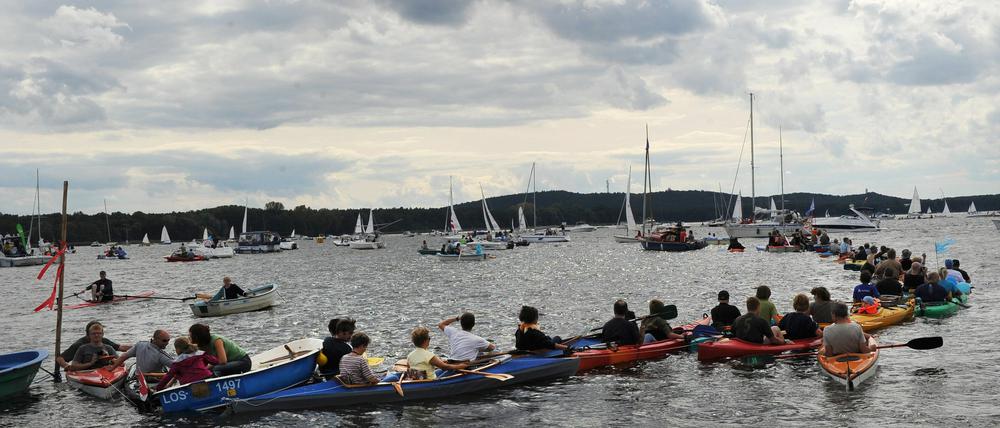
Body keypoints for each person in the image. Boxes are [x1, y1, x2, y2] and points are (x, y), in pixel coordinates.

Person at [56, 321, 131, 370]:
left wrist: (136, 347)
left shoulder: (106, 344)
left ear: (102, 333)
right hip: (86, 372)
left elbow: (121, 348)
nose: (96, 336)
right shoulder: (80, 346)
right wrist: (66, 366)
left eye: (99, 333)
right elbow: (60, 358)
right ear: (88, 334)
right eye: (94, 333)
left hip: (105, 373)